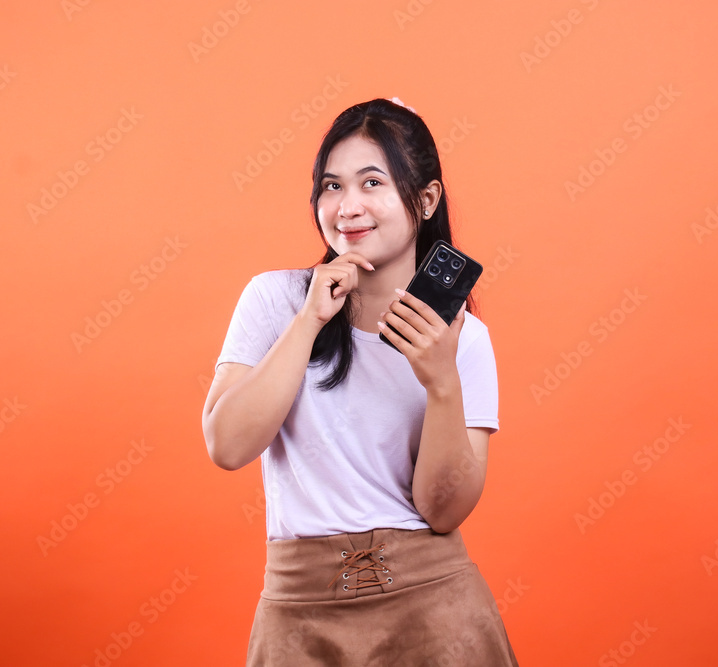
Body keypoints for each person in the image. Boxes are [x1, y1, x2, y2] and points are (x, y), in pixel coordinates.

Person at [202, 97, 518, 666]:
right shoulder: (275, 300)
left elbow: (443, 512)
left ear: (425, 199)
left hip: (436, 610)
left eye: (372, 182)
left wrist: (442, 381)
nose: (347, 206)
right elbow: (227, 446)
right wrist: (309, 321)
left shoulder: (463, 340)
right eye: (331, 186)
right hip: (301, 613)